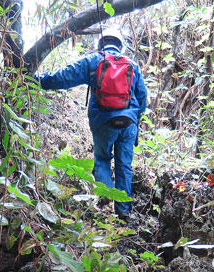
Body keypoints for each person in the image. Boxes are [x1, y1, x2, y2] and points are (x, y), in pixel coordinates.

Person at [37, 28, 148, 221]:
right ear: (120, 46)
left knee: (103, 159)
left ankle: (105, 194)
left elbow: (64, 77)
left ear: (101, 43)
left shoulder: (93, 61)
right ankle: (123, 211)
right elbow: (143, 97)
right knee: (124, 166)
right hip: (128, 123)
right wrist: (134, 122)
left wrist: (36, 80)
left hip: (104, 121)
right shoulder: (132, 65)